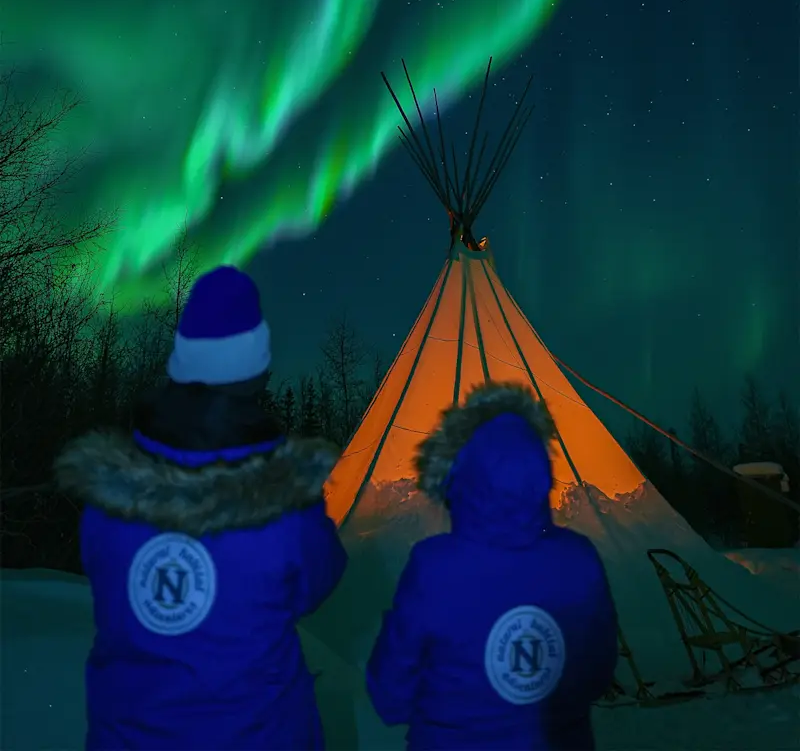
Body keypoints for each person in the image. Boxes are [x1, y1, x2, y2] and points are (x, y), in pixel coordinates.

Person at [55, 265, 347, 750]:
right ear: (257, 370)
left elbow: (111, 584)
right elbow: (319, 580)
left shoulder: (109, 496)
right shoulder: (284, 502)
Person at [366, 382, 619, 751]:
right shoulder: (578, 559)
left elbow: (389, 695)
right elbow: (596, 675)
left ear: (460, 474)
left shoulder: (434, 568)